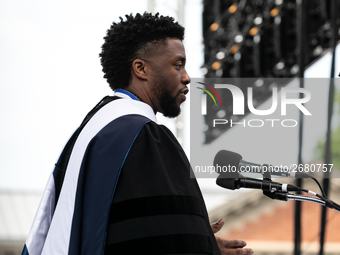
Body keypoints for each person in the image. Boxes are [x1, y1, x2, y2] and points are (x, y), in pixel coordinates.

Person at [22, 12, 253, 255]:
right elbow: (155, 239)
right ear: (140, 68)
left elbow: (126, 233)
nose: (186, 77)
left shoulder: (92, 131)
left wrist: (200, 239)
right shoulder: (144, 137)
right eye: (178, 65)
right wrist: (200, 246)